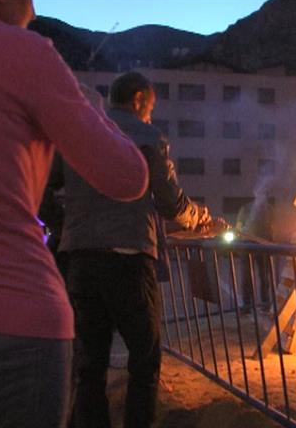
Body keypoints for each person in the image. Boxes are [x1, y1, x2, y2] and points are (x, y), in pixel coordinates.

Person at [0, 0, 150, 427]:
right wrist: (88, 106)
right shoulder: (21, 53)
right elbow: (127, 176)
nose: (32, 8)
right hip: (12, 331)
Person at [57, 71, 218, 428]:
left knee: (90, 365)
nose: (150, 115)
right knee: (144, 360)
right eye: (151, 107)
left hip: (81, 259)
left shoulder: (81, 133)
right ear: (138, 100)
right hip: (127, 259)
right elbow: (170, 202)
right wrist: (198, 217)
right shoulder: (145, 137)